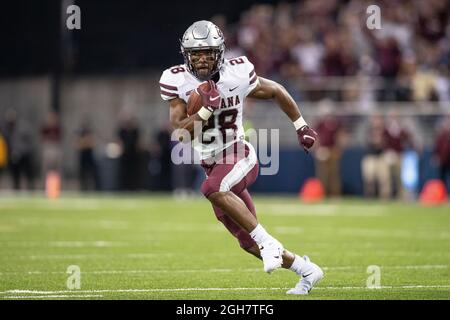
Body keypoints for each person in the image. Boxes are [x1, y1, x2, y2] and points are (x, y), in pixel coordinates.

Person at [159, 21, 323, 295]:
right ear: (185, 55)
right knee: (248, 242)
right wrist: (202, 113)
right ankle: (306, 270)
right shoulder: (177, 80)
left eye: (208, 53)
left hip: (238, 153)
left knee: (211, 189)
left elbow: (276, 90)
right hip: (211, 163)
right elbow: (179, 134)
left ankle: (268, 242)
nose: (201, 59)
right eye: (196, 54)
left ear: (220, 52)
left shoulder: (237, 73)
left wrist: (301, 126)